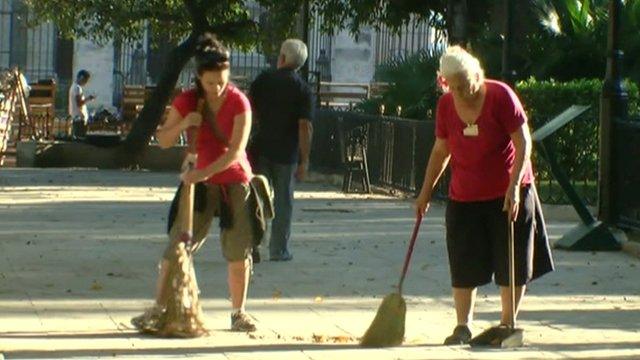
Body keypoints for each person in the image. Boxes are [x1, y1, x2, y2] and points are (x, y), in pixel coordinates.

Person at [415, 46, 553, 345]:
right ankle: (462, 325)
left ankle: (506, 324)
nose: (462, 91)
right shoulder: (446, 106)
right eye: (454, 86)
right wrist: (425, 193)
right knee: (463, 259)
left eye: (465, 84)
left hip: (507, 192)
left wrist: (515, 186)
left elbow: (524, 143)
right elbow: (441, 150)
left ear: (477, 74)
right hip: (464, 195)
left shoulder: (501, 96)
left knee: (511, 259)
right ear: (444, 83)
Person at [132, 34, 257, 333]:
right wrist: (185, 123)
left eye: (222, 82)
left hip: (234, 181)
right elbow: (163, 140)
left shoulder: (240, 103)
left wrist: (201, 173)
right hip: (197, 185)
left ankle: (238, 312)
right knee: (177, 247)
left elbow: (235, 152)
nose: (217, 88)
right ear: (199, 77)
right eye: (211, 82)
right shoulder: (188, 100)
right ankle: (160, 309)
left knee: (238, 251)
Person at [249, 39, 314, 262]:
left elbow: (250, 109)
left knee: (256, 198)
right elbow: (305, 126)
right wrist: (305, 160)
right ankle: (279, 250)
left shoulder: (263, 80)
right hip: (287, 152)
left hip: (261, 147)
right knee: (283, 202)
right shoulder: (302, 89)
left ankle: (252, 244)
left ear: (282, 58)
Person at [68, 70, 95, 139]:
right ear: (82, 78)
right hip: (79, 118)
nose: (85, 83)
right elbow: (79, 103)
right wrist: (88, 98)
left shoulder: (73, 86)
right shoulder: (77, 88)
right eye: (86, 80)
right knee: (80, 139)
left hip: (76, 117)